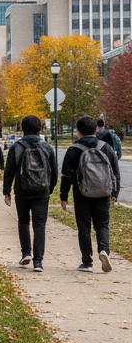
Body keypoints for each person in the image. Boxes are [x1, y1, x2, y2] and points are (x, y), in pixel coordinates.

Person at [61, 115, 120, 272]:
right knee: (102, 224)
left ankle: (87, 262)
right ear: (96, 129)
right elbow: (115, 171)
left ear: (77, 131)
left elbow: (66, 175)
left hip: (82, 193)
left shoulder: (74, 149)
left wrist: (63, 196)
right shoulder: (106, 147)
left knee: (84, 227)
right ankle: (103, 250)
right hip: (104, 192)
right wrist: (115, 191)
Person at [2, 115, 57, 272]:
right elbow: (53, 171)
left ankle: (26, 253)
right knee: (40, 225)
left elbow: (9, 170)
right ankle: (38, 261)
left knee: (23, 221)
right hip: (42, 191)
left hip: (22, 189)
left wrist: (7, 191)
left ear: (22, 128)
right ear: (40, 128)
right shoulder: (46, 147)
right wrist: (50, 188)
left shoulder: (17, 147)